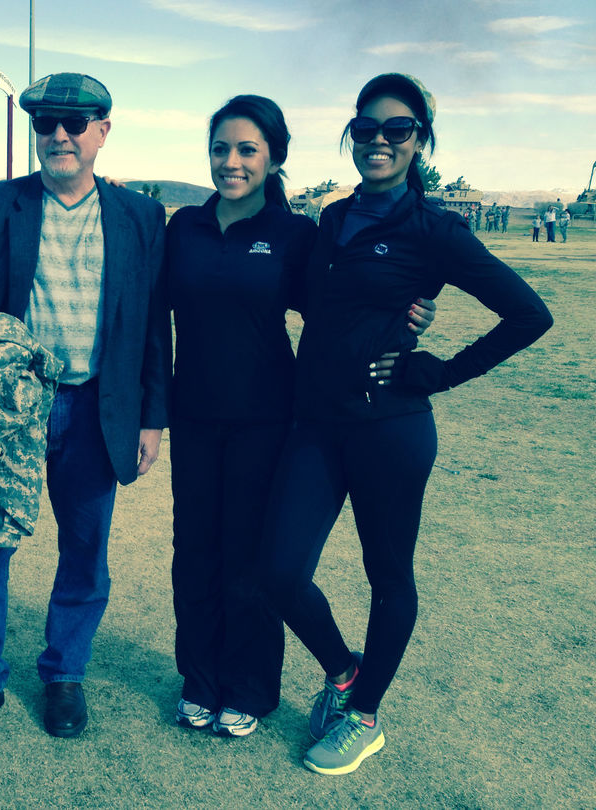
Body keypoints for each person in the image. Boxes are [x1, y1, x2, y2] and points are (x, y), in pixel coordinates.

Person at [261, 73, 553, 776]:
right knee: (277, 571)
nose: (380, 141)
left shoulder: (434, 230)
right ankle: (343, 674)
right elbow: (321, 305)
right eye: (367, 129)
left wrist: (438, 372)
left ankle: (364, 718)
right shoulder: (334, 218)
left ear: (420, 140)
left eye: (398, 130)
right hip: (315, 425)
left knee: (387, 574)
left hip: (390, 429)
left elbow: (529, 315)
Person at [165, 95, 435, 739]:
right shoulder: (184, 229)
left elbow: (339, 313)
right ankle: (199, 679)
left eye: (247, 149)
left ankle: (249, 688)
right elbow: (153, 317)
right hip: (193, 416)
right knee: (193, 552)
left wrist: (406, 321)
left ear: (274, 157)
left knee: (248, 557)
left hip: (267, 418)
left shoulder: (294, 235)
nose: (231, 162)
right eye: (220, 148)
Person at [0, 72, 170, 748]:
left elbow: (152, 324)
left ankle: (65, 673)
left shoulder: (141, 217)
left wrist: (152, 418)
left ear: (103, 130)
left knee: (86, 549)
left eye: (76, 122)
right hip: (11, 414)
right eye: (45, 123)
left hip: (98, 408)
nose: (60, 135)